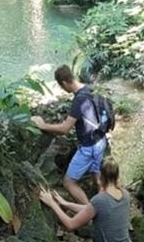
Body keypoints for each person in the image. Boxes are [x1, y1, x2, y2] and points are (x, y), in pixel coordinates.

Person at [31, 65, 107, 204]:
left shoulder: (78, 100)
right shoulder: (89, 88)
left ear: (64, 83)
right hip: (101, 141)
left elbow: (65, 129)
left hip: (89, 147)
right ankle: (106, 205)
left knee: (69, 183)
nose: (63, 89)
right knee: (97, 177)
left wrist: (43, 125)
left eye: (61, 86)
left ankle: (90, 212)